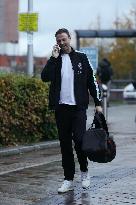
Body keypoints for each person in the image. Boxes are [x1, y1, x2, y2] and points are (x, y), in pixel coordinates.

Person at [41, 28, 102, 193]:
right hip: (61, 109)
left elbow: (92, 81)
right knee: (65, 145)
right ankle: (68, 178)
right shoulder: (55, 60)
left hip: (78, 109)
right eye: (59, 41)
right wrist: (52, 59)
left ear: (69, 38)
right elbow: (44, 77)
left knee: (80, 141)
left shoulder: (81, 57)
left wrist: (98, 102)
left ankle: (84, 172)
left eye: (64, 39)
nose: (62, 43)